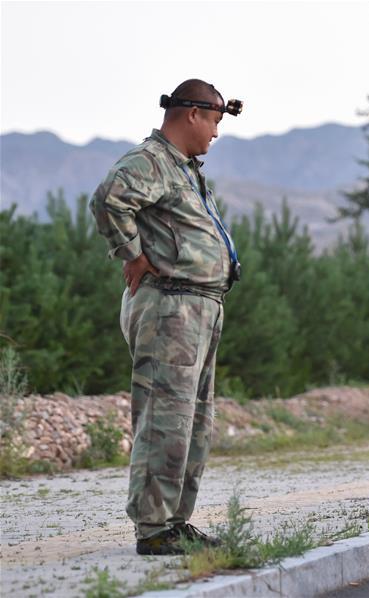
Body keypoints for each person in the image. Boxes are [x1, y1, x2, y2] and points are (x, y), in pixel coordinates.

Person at [89, 79, 242, 555]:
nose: (217, 132)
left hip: (198, 306)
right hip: (169, 306)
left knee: (193, 419)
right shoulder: (152, 160)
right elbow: (108, 197)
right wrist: (131, 255)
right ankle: (154, 529)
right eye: (215, 120)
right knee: (165, 417)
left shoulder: (184, 168)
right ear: (192, 113)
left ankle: (175, 521)